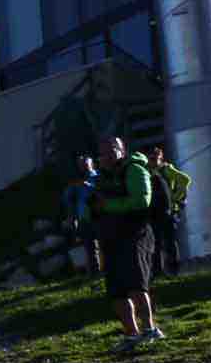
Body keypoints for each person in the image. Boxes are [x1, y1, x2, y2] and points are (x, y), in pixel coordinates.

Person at [93, 136, 163, 345]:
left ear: (121, 151)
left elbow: (142, 200)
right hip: (110, 236)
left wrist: (107, 206)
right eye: (101, 153)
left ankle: (150, 329)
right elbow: (96, 205)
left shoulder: (135, 170)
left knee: (136, 284)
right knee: (117, 290)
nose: (104, 157)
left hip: (135, 234)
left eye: (110, 151)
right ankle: (131, 334)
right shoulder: (101, 177)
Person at [146, 142, 191, 275]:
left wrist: (174, 197)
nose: (153, 161)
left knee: (170, 241)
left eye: (156, 158)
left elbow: (185, 180)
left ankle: (174, 269)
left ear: (161, 158)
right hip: (155, 211)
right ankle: (158, 270)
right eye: (151, 159)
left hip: (169, 211)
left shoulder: (166, 169)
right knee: (156, 241)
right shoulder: (149, 171)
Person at [63, 157, 100, 276]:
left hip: (99, 216)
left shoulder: (98, 176)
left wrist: (87, 185)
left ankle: (107, 271)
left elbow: (102, 190)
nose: (83, 168)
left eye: (86, 165)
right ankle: (94, 273)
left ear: (92, 165)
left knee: (104, 245)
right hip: (83, 218)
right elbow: (68, 199)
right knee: (89, 248)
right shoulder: (76, 181)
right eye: (81, 165)